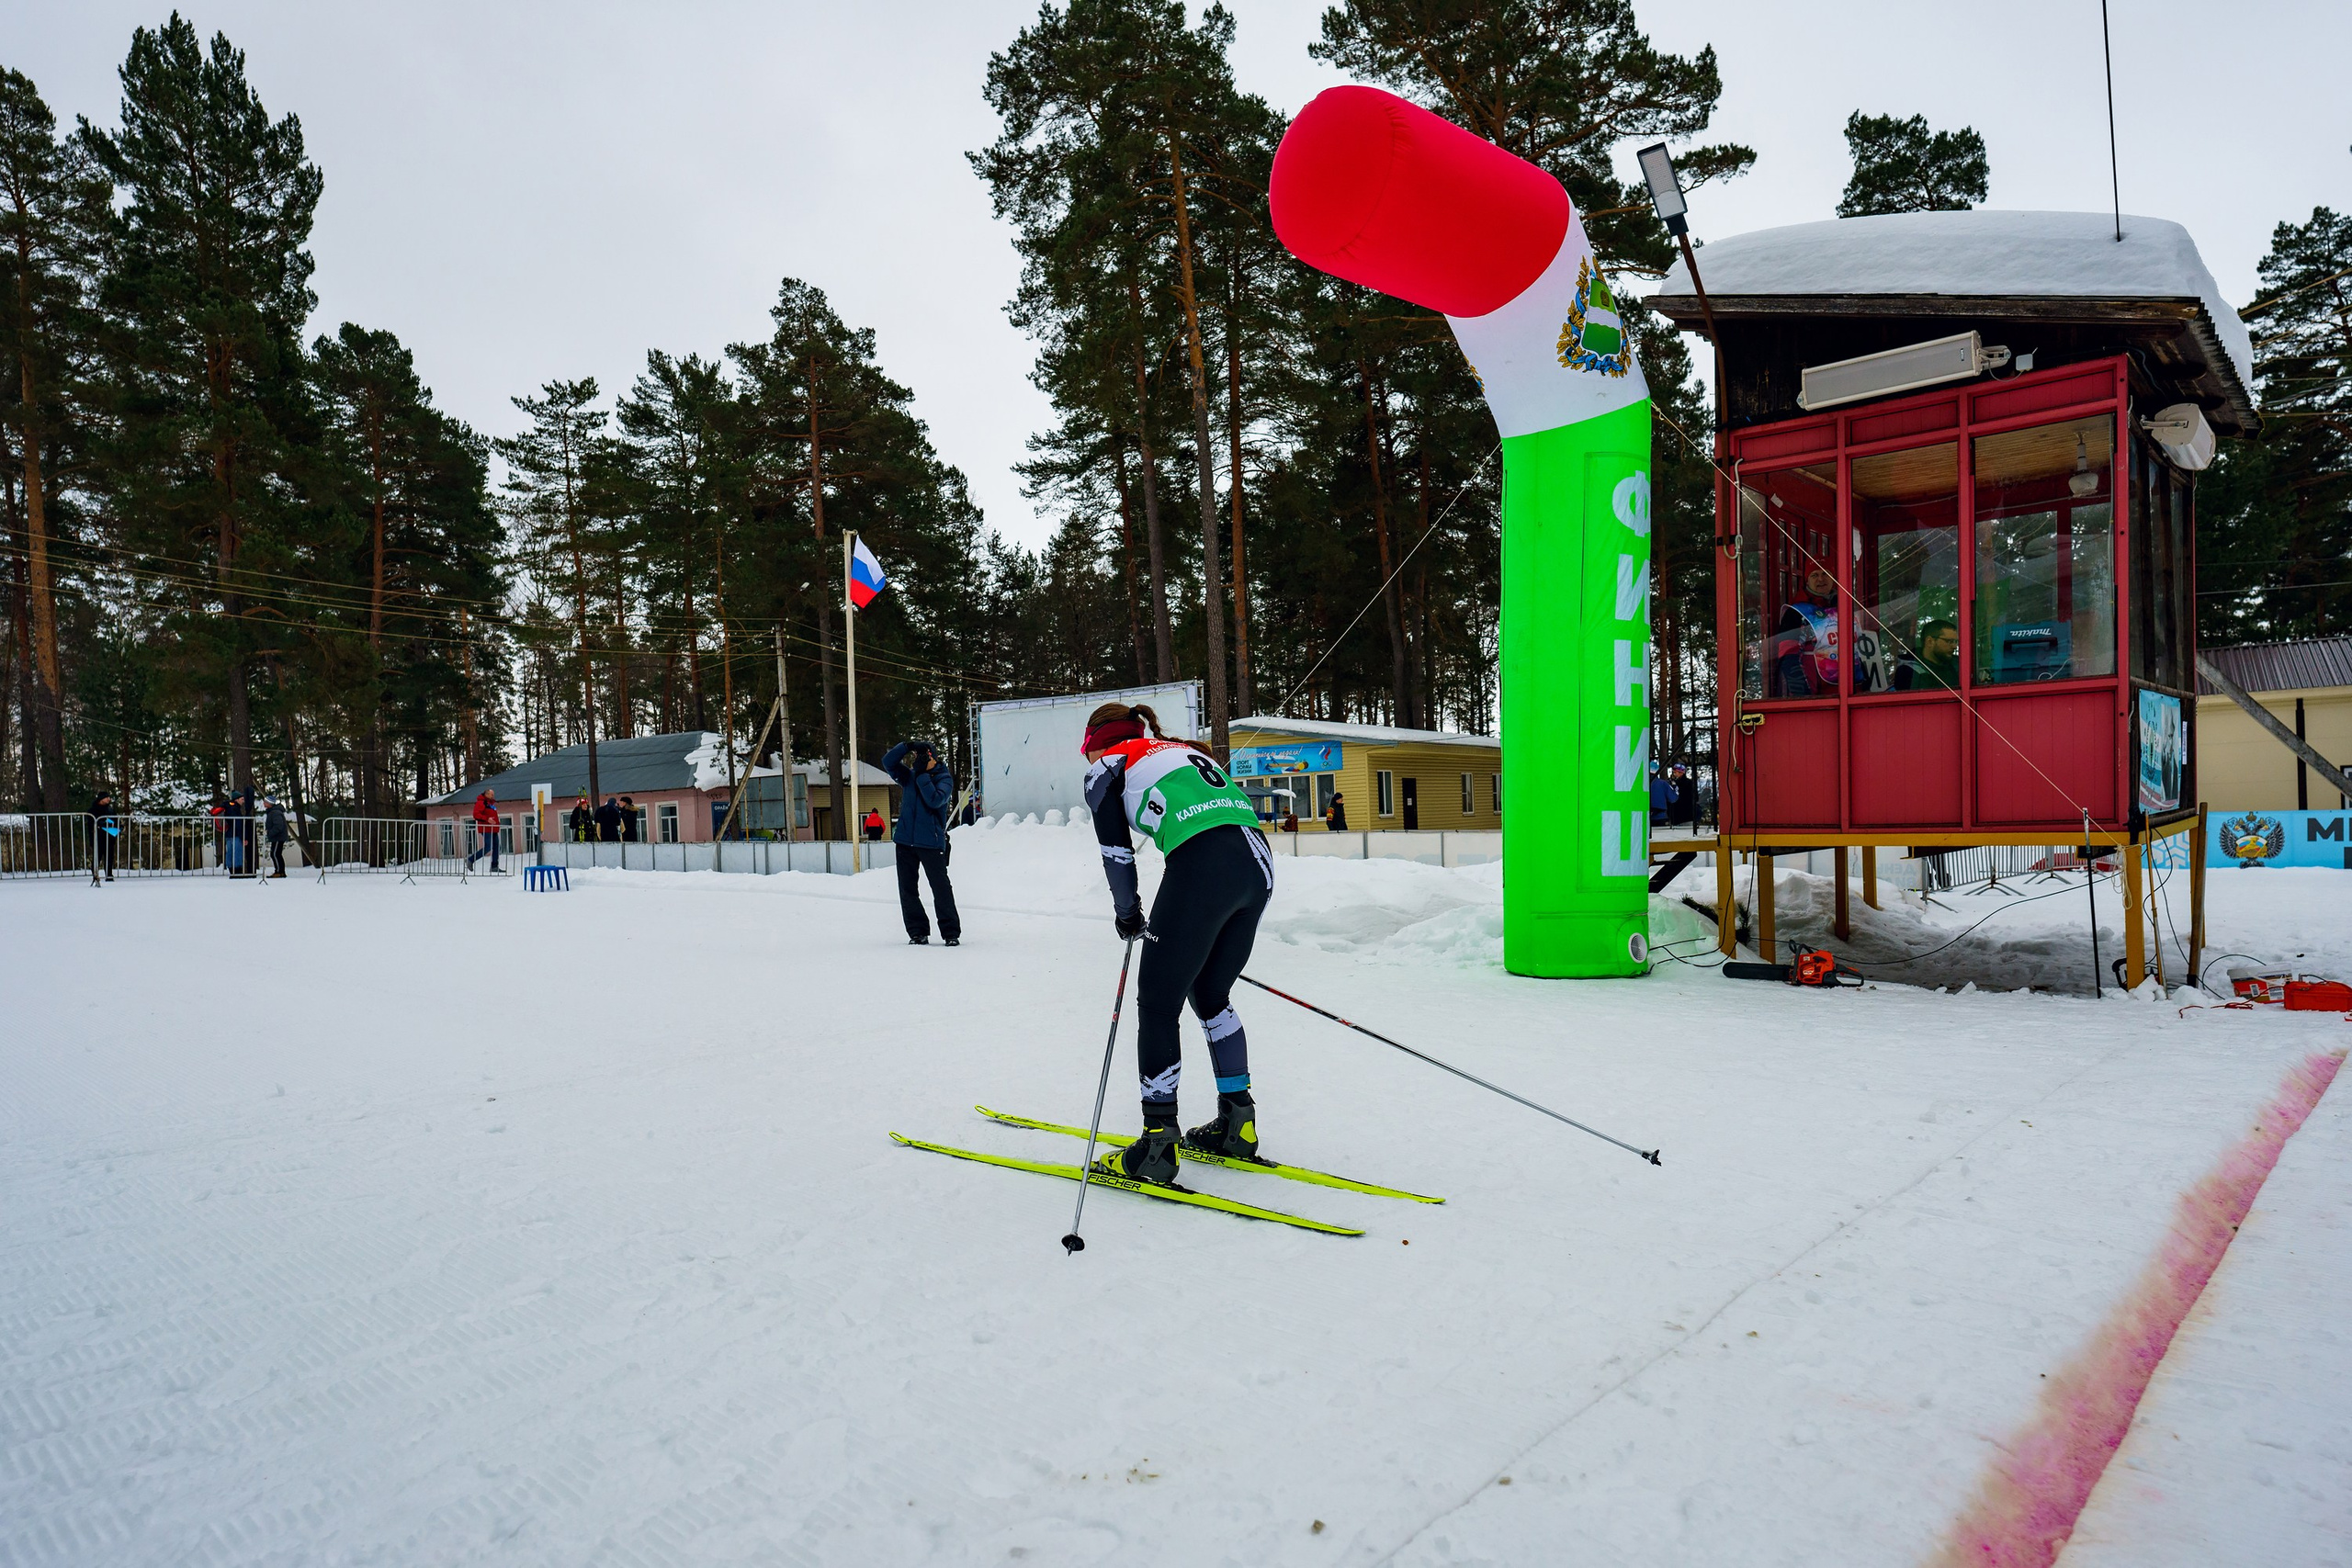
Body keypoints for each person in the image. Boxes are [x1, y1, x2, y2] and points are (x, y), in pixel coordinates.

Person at [1080, 702, 1272, 1185]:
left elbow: (1115, 853)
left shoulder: (1107, 767)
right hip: (1257, 863)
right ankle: (1238, 1122)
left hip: (1205, 865)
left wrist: (1128, 914)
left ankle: (1157, 1145)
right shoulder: (1178, 750)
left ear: (1097, 744)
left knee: (1159, 1003)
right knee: (1211, 995)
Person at [882, 738, 962, 946]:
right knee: (907, 888)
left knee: (941, 887)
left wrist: (923, 775)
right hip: (905, 842)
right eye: (918, 756)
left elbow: (935, 799)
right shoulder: (909, 776)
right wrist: (906, 746)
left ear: (934, 758)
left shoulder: (944, 778)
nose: (920, 759)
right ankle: (917, 932)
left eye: (924, 756)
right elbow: (888, 763)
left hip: (931, 843)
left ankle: (950, 933)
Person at [1772, 565, 1841, 697]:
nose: (1821, 579)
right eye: (1814, 575)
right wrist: (1803, 696)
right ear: (1807, 581)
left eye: (1826, 573)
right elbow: (1788, 656)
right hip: (1816, 696)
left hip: (1849, 692)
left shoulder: (1844, 605)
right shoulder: (1796, 612)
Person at [1898, 617, 1962, 692]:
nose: (1954, 646)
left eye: (1955, 642)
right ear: (1930, 641)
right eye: (1949, 641)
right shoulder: (1909, 671)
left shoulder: (1958, 666)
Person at [466, 789, 503, 873]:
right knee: (488, 847)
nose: (493, 796)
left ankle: (494, 866)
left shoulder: (490, 804)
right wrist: (487, 819)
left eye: (493, 795)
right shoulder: (481, 803)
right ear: (486, 794)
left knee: (496, 846)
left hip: (493, 828)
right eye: (491, 795)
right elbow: (476, 815)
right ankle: (471, 859)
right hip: (486, 828)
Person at [87, 789, 119, 883]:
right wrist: (103, 824)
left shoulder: (110, 810)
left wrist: (117, 828)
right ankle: (95, 874)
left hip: (109, 837)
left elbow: (116, 821)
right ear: (101, 799)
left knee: (109, 857)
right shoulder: (93, 810)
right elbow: (92, 822)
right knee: (97, 856)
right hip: (97, 837)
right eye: (107, 797)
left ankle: (109, 875)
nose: (109, 799)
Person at [264, 794, 290, 877]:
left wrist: (270, 833)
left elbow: (278, 826)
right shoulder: (273, 812)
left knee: (275, 854)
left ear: (269, 803)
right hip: (277, 837)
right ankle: (280, 871)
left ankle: (279, 871)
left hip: (278, 837)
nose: (264, 803)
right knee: (276, 854)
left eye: (265, 802)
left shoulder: (275, 812)